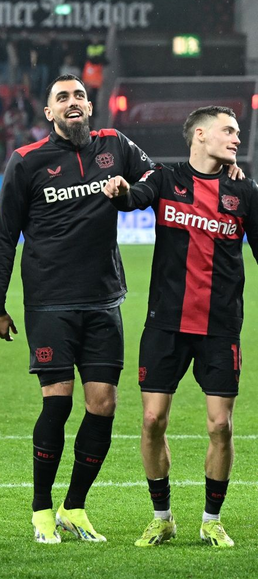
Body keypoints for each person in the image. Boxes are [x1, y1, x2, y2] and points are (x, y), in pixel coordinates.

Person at [0, 74, 157, 545]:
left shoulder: (115, 145)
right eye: (62, 97)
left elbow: (156, 177)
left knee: (103, 405)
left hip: (104, 300)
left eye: (79, 95)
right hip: (49, 303)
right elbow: (5, 238)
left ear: (89, 104)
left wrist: (129, 196)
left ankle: (74, 508)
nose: (73, 102)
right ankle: (42, 511)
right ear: (49, 113)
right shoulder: (26, 162)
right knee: (57, 403)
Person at [104, 106, 258, 548]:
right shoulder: (165, 180)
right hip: (166, 325)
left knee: (220, 427)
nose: (235, 137)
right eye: (228, 130)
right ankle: (162, 517)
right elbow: (133, 197)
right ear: (201, 136)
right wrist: (118, 190)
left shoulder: (244, 193)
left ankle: (211, 519)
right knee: (152, 420)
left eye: (237, 131)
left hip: (220, 327)